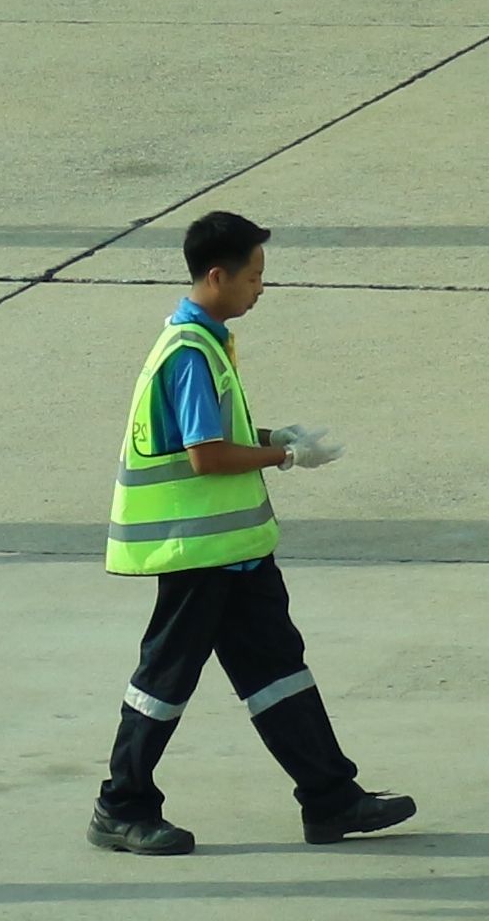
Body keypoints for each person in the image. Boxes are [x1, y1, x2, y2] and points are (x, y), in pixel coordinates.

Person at [91, 211, 415, 855]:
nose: (261, 287)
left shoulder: (208, 343)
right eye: (255, 275)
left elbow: (216, 436)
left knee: (278, 670)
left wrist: (271, 437)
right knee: (165, 679)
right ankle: (120, 804)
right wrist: (283, 458)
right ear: (218, 276)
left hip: (235, 552)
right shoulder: (189, 353)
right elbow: (205, 456)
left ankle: (330, 799)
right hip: (196, 551)